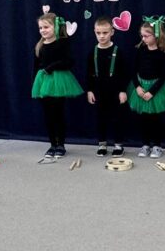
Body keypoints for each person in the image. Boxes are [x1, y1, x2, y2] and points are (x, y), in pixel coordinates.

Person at [31, 12, 83, 161]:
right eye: (40, 28)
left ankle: (61, 145)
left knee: (58, 114)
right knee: (48, 115)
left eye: (46, 27)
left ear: (55, 27)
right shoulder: (39, 46)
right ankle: (52, 144)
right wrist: (36, 82)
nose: (43, 30)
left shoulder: (62, 43)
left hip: (58, 81)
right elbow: (36, 66)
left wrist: (51, 67)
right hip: (44, 82)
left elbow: (69, 61)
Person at [129, 16, 165, 158]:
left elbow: (164, 75)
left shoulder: (162, 53)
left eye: (146, 36)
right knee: (144, 119)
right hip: (141, 87)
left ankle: (157, 146)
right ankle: (145, 145)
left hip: (157, 89)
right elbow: (133, 70)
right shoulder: (140, 50)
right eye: (142, 36)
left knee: (156, 119)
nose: (143, 39)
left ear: (156, 35)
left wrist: (152, 92)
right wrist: (137, 87)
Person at [86, 17, 129, 157]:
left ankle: (118, 145)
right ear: (94, 32)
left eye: (105, 32)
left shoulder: (118, 51)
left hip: (115, 91)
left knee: (117, 118)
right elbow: (89, 73)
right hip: (99, 91)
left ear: (112, 32)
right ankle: (102, 144)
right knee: (100, 118)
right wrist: (90, 90)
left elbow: (124, 73)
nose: (102, 36)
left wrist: (123, 90)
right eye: (98, 33)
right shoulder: (92, 52)